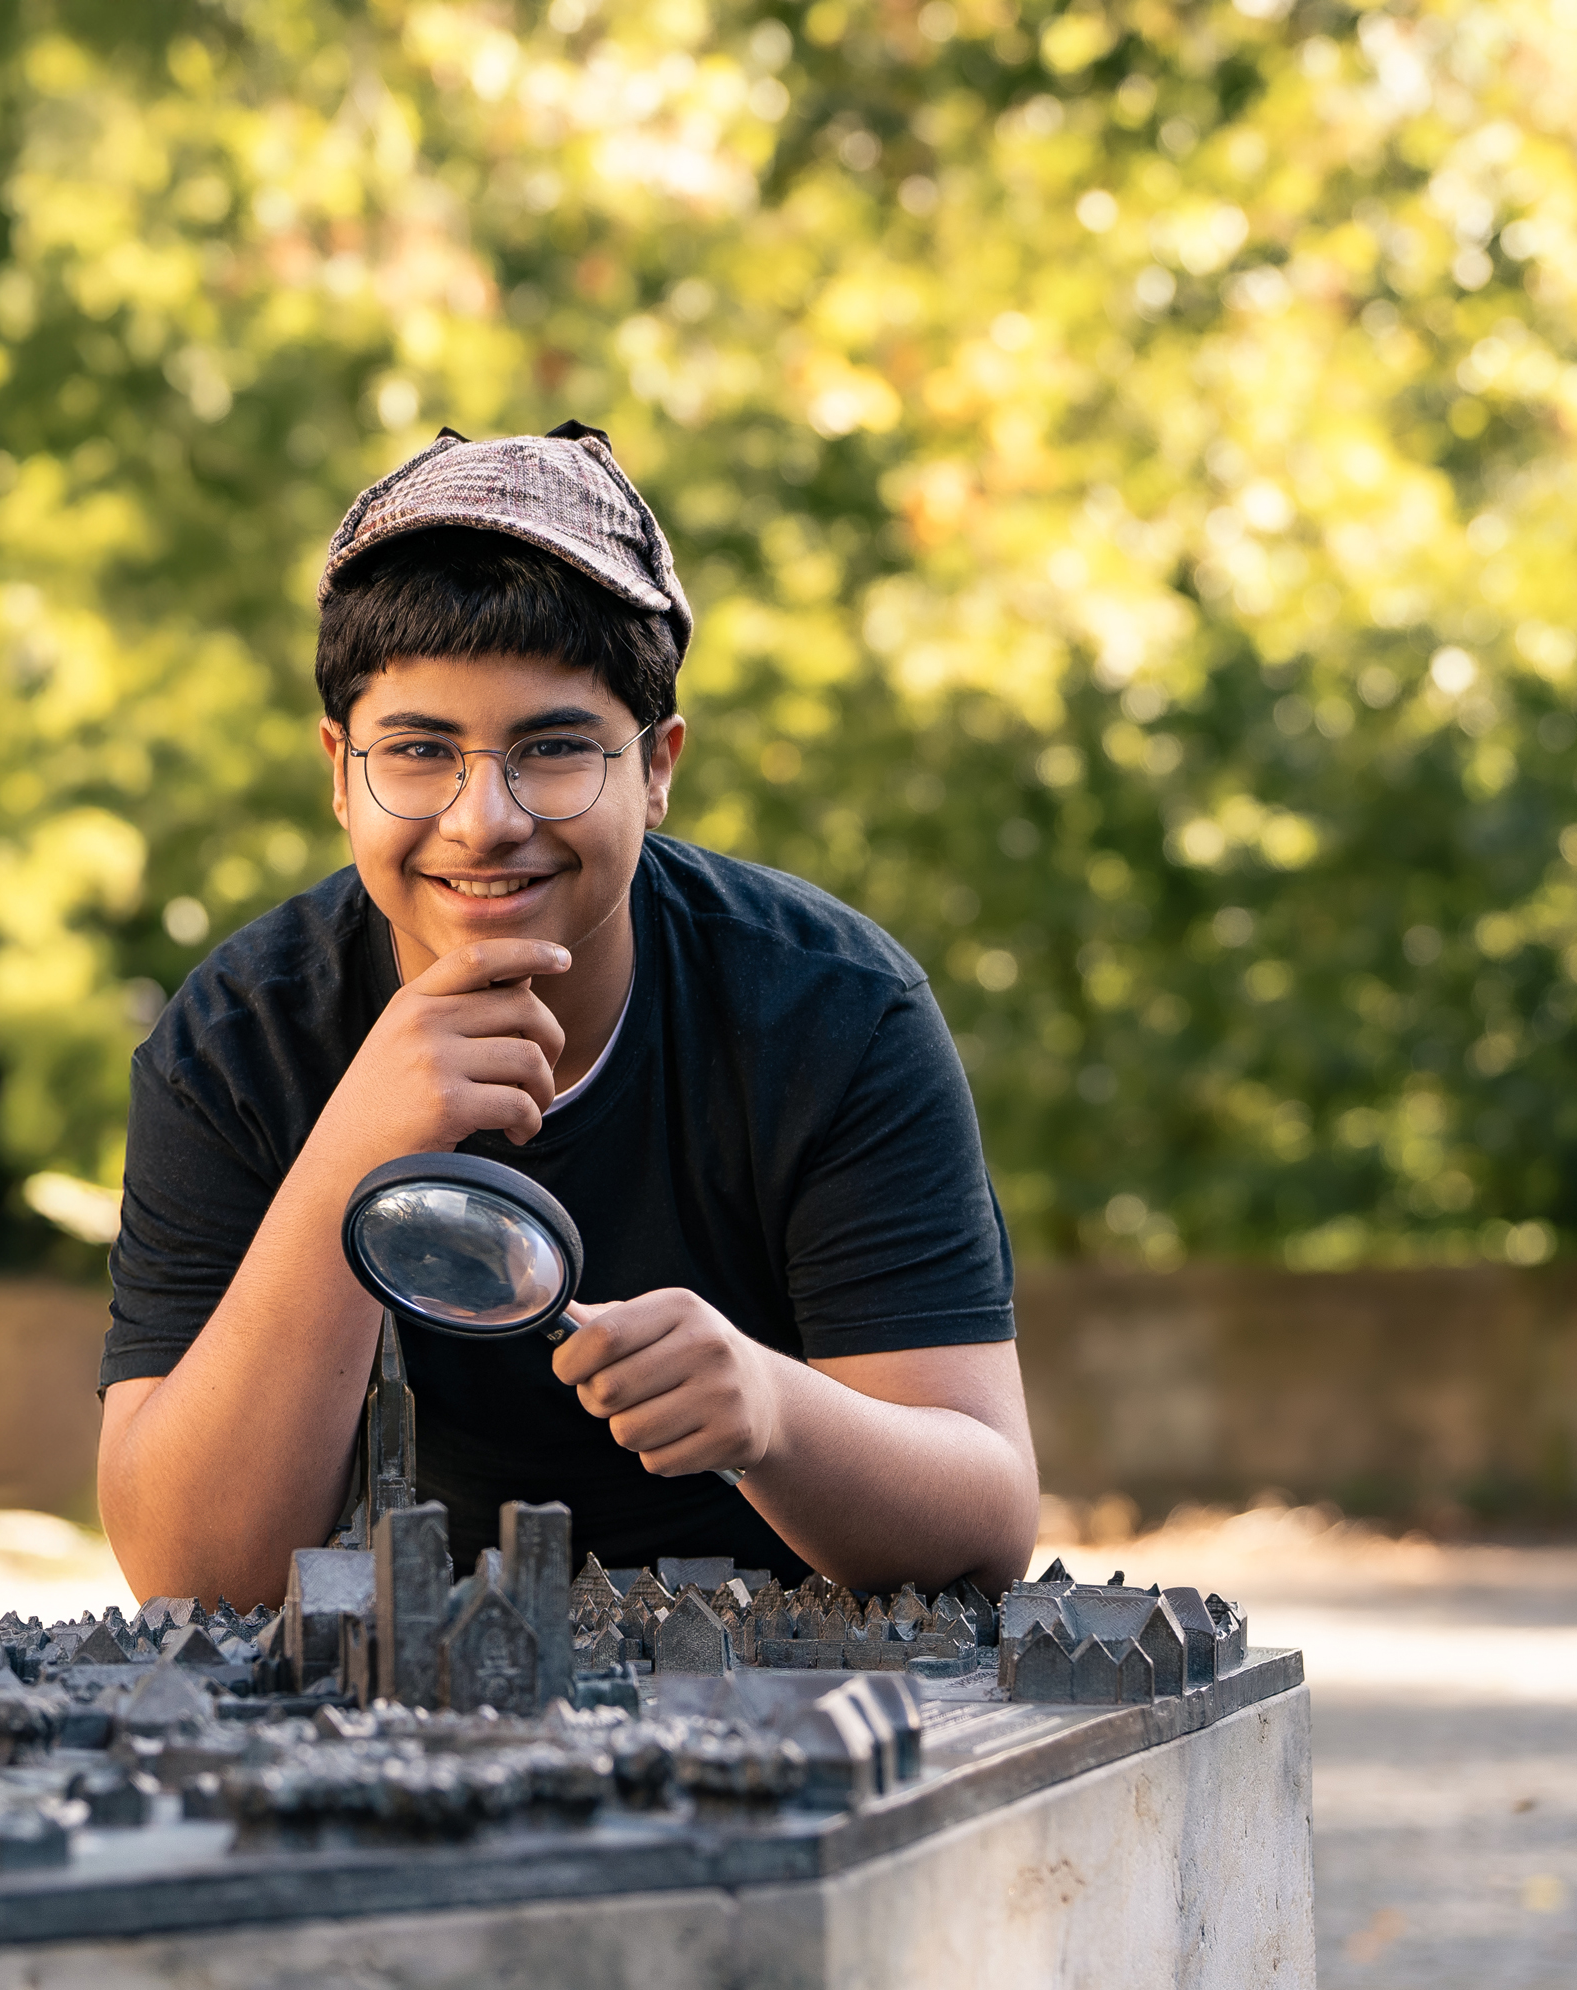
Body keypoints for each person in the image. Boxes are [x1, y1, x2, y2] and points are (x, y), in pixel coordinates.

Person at [96, 423, 1038, 1608]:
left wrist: (770, 1411)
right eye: (419, 750)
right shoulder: (237, 1043)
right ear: (340, 771)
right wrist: (357, 1144)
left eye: (553, 750)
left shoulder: (833, 1012)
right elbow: (194, 1574)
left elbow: (988, 1518)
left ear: (658, 769)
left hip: (796, 1679)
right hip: (412, 1674)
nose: (483, 817)